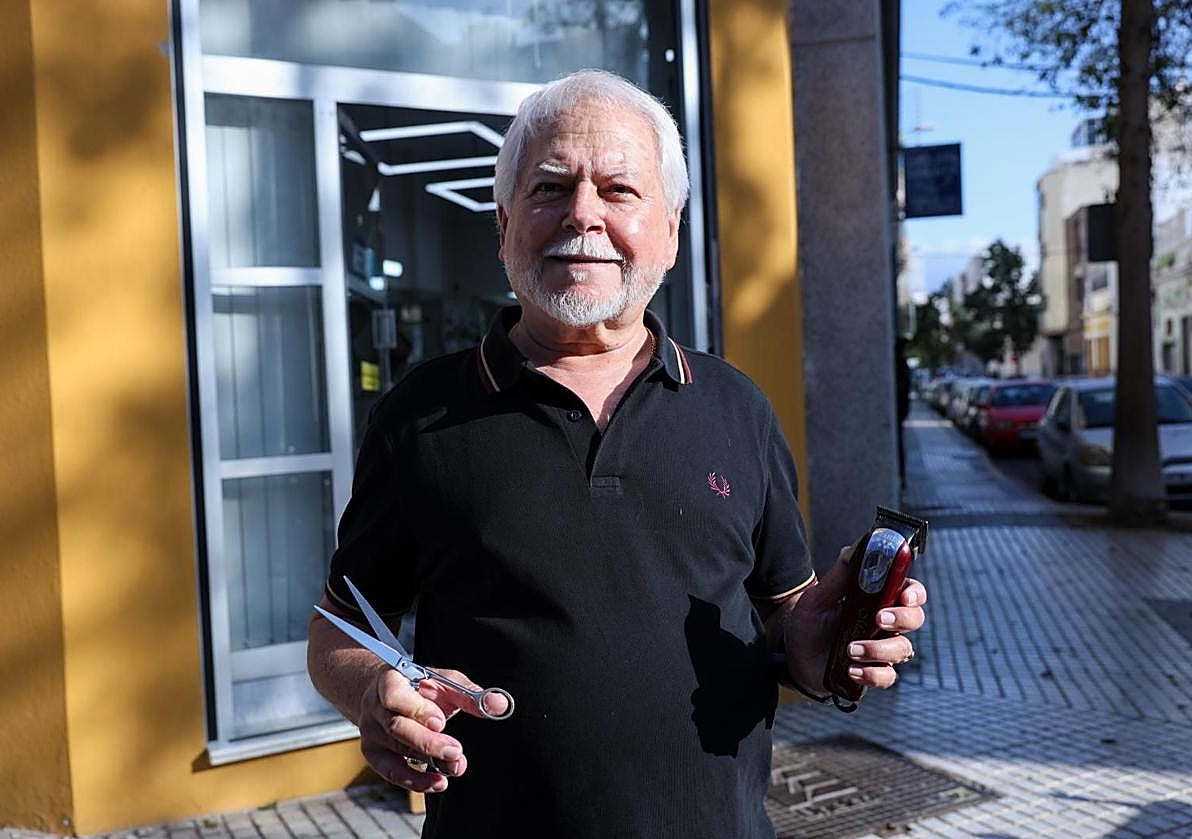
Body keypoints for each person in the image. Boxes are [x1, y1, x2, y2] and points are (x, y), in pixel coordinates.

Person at [307, 69, 927, 838]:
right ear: (502, 225)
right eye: (548, 188)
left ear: (670, 228)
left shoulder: (737, 408)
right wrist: (374, 688)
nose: (582, 216)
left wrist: (818, 645)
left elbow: (782, 613)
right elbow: (339, 628)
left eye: (620, 190)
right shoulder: (420, 417)